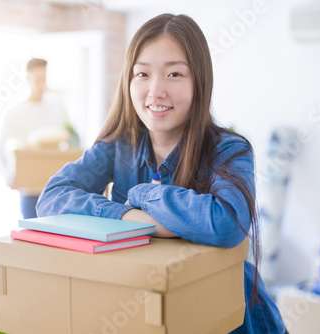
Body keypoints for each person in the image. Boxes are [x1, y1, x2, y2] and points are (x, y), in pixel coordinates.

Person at [37, 13, 287, 333]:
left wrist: (143, 195)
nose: (155, 91)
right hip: (143, 307)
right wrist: (134, 219)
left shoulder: (229, 149)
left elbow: (227, 222)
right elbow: (52, 197)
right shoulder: (118, 146)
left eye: (174, 74)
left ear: (200, 80)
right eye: (142, 73)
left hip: (230, 313)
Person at [0, 58, 69, 219]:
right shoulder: (15, 113)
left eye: (45, 79)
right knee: (32, 238)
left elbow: (71, 144)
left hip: (57, 190)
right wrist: (7, 175)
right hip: (30, 191)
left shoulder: (58, 109)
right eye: (37, 79)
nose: (42, 85)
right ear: (28, 79)